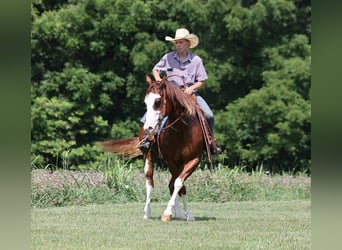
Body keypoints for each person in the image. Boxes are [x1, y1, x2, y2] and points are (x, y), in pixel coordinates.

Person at [140, 28, 221, 154]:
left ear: (188, 43)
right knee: (151, 112)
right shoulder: (168, 57)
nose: (178, 45)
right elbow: (156, 69)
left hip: (189, 93)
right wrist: (159, 81)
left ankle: (209, 141)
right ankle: (147, 138)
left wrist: (191, 88)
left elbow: (201, 80)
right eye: (176, 42)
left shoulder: (196, 60)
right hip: (171, 93)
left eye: (181, 42)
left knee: (209, 115)